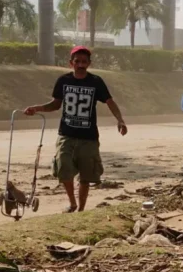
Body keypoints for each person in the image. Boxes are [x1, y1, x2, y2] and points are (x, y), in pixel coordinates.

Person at [24, 46, 127, 213]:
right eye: (77, 61)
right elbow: (55, 104)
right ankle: (72, 203)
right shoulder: (63, 81)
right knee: (64, 169)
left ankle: (81, 209)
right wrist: (37, 108)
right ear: (71, 63)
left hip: (89, 137)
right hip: (66, 135)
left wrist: (120, 120)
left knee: (86, 176)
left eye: (84, 61)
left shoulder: (96, 82)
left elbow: (110, 102)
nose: (80, 64)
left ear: (89, 63)